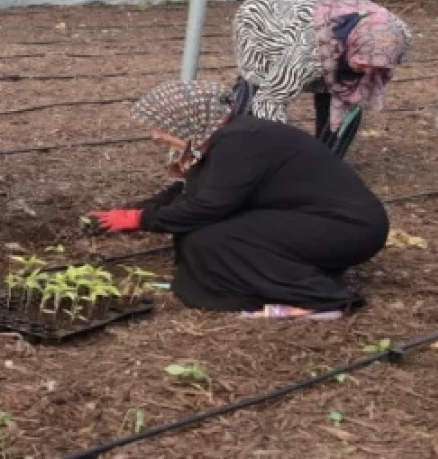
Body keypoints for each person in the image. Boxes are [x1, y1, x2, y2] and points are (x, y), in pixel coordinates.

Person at [88, 80, 389, 319]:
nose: (156, 135)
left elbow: (209, 206)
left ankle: (320, 298)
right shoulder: (229, 137)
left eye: (164, 126)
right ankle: (282, 279)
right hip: (315, 221)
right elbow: (188, 192)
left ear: (192, 119)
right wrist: (133, 211)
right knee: (203, 237)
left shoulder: (241, 142)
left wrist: (140, 220)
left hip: (346, 228)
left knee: (218, 239)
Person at [230, 0, 411, 157]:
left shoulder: (394, 36)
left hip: (337, 7)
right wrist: (280, 152)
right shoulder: (307, 51)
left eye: (376, 65)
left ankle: (327, 157)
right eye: (364, 62)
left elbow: (359, 88)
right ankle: (240, 147)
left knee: (348, 92)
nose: (368, 70)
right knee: (256, 88)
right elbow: (269, 100)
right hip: (266, 17)